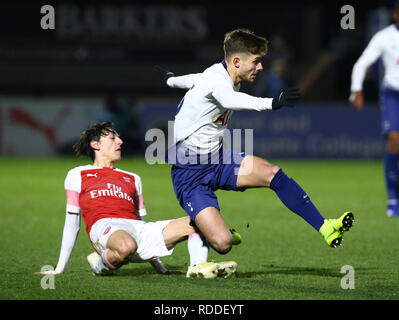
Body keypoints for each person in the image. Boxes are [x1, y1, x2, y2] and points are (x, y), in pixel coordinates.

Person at [156, 28, 354, 255]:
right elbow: (228, 98)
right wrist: (271, 103)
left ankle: (325, 227)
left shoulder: (214, 74)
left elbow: (192, 79)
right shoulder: (219, 83)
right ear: (237, 61)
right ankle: (206, 228)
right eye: (256, 62)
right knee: (223, 243)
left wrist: (171, 79)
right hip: (189, 172)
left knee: (272, 173)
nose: (260, 67)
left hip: (218, 158)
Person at [35, 122, 237, 279]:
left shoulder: (132, 178)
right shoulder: (78, 174)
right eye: (113, 138)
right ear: (95, 145)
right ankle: (100, 264)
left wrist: (161, 269)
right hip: (105, 228)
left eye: (119, 138)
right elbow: (72, 223)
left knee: (198, 222)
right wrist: (59, 269)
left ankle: (196, 268)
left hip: (137, 230)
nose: (120, 142)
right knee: (126, 246)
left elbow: (141, 225)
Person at [350, 1, 399, 217]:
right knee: (395, 140)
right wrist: (356, 90)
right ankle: (393, 200)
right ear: (396, 15)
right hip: (392, 94)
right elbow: (361, 63)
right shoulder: (384, 36)